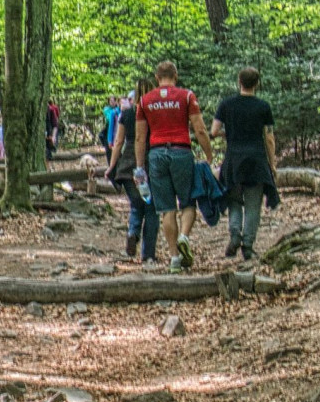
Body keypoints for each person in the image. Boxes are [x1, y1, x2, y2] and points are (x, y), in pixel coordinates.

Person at [134, 61, 215, 273]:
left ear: (156, 77)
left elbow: (140, 137)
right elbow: (200, 129)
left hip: (156, 154)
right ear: (175, 76)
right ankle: (184, 236)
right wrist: (209, 154)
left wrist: (140, 167)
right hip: (181, 152)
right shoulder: (187, 96)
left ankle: (174, 258)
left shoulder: (144, 101)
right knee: (188, 202)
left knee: (166, 209)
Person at [211, 67, 279, 261]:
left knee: (233, 199)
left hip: (233, 160)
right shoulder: (263, 106)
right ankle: (248, 245)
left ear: (239, 81)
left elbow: (214, 131)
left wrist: (230, 133)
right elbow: (269, 137)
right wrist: (272, 164)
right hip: (256, 161)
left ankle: (235, 235)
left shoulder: (227, 104)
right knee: (253, 204)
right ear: (256, 83)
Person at [107, 81, 159, 264]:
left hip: (128, 163)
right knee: (152, 209)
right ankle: (148, 254)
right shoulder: (154, 114)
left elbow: (118, 141)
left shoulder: (127, 113)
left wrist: (112, 165)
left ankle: (133, 233)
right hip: (151, 162)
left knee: (136, 205)